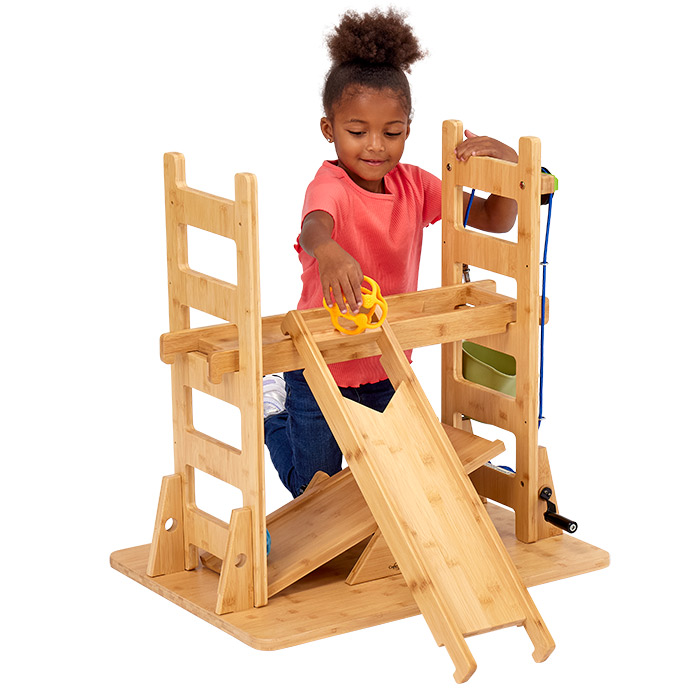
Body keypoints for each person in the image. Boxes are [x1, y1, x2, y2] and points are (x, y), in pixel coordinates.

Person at [264, 8, 518, 498]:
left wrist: (510, 164)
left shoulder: (416, 186)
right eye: (357, 132)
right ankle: (274, 412)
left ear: (408, 128)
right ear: (328, 129)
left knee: (388, 481)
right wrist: (329, 251)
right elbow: (314, 227)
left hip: (385, 363)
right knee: (313, 490)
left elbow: (494, 218)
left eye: (392, 132)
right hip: (319, 367)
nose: (375, 146)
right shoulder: (329, 185)